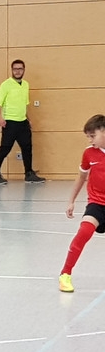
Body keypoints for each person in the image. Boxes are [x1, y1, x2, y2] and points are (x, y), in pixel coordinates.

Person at [58, 114, 105, 293]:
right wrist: (71, 201)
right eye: (88, 137)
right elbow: (81, 177)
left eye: (93, 136)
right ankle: (65, 274)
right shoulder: (89, 153)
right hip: (97, 203)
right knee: (84, 232)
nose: (90, 140)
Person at [0, 59, 45, 184]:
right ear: (12, 70)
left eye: (20, 69)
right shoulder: (6, 85)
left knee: (27, 148)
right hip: (10, 122)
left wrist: (28, 119)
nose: (18, 71)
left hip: (22, 122)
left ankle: (29, 173)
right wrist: (0, 118)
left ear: (24, 70)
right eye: (15, 69)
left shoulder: (25, 85)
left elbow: (24, 104)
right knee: (5, 148)